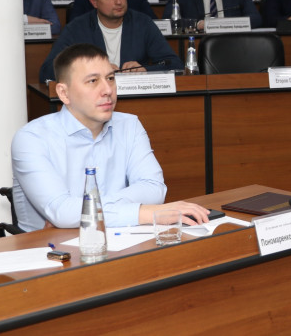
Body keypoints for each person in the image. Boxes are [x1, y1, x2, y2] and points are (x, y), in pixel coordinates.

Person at [14, 43, 210, 232]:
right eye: (93, 81)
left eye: (110, 78)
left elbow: (155, 189)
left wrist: (79, 211)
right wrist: (143, 212)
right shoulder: (31, 139)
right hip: (49, 246)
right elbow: (62, 212)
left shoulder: (129, 125)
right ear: (64, 93)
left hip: (121, 236)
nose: (107, 90)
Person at [39, 0, 182, 82]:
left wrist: (144, 70)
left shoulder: (143, 23)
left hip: (134, 97)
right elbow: (48, 70)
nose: (118, 1)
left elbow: (174, 64)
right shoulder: (77, 28)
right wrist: (93, 71)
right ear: (94, 2)